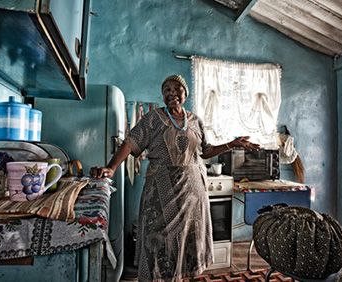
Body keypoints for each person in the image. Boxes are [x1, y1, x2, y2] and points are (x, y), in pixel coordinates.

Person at [91, 74, 260, 281]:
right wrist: (111, 168)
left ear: (185, 93)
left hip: (193, 190)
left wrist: (232, 144)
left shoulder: (195, 120)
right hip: (161, 189)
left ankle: (182, 276)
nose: (172, 94)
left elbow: (205, 151)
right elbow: (131, 142)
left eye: (176, 89)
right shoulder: (153, 119)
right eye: (166, 91)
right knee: (158, 237)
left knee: (190, 236)